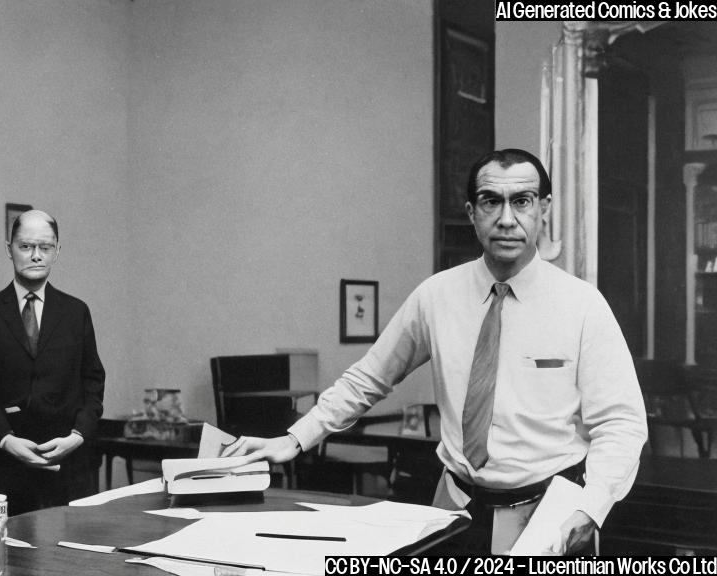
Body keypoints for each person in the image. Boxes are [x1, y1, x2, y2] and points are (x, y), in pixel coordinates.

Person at [224, 149, 647, 555]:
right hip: (455, 506)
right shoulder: (436, 296)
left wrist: (591, 507)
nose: (506, 219)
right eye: (490, 201)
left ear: (544, 208)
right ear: (470, 212)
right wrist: (297, 438)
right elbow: (369, 377)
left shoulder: (582, 306)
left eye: (522, 201)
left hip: (549, 515)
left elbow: (621, 422)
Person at [0, 209, 106, 514]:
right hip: (4, 469)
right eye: (26, 247)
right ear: (9, 249)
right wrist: (5, 439)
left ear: (57, 252)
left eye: (45, 247)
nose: (36, 255)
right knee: (2, 557)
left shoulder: (76, 312)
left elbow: (93, 383)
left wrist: (76, 436)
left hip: (68, 467)